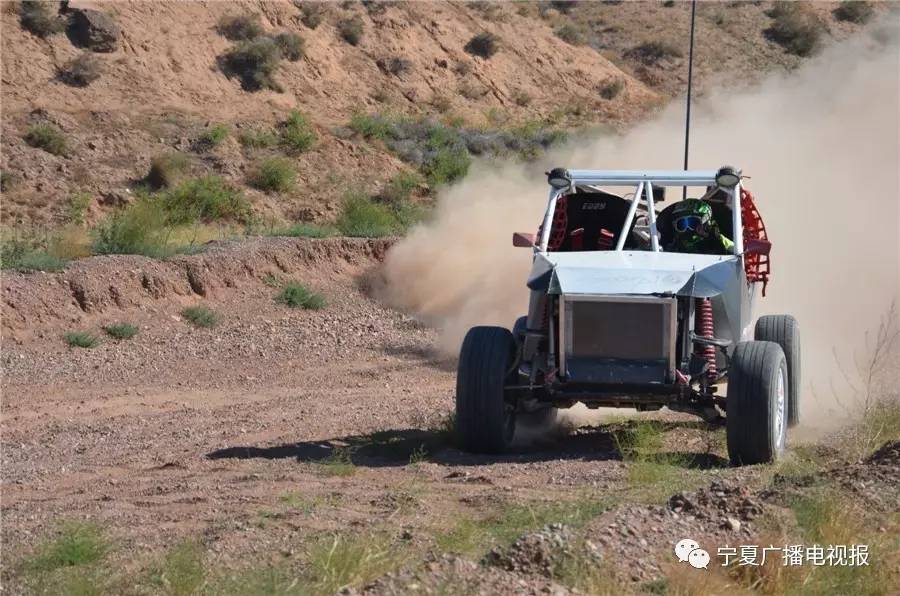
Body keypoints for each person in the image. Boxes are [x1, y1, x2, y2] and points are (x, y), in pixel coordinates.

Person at [666, 198, 734, 255]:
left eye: (693, 222)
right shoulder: (672, 249)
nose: (688, 228)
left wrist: (715, 243)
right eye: (682, 224)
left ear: (706, 223)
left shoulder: (728, 245)